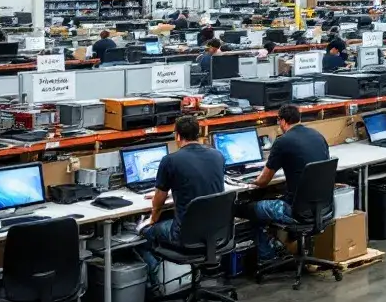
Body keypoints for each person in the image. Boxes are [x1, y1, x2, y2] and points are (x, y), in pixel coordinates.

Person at [136, 116, 226, 287]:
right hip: (215, 232)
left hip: (184, 236)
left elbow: (159, 201)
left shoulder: (170, 160)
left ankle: (155, 286)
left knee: (142, 232)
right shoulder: (217, 155)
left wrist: (152, 220)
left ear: (177, 136)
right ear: (198, 134)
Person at [247, 104, 332, 260]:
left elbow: (264, 181)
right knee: (280, 196)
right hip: (322, 208)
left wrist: (249, 182)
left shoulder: (282, 142)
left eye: (278, 121)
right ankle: (287, 247)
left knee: (252, 209)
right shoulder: (317, 135)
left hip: (296, 211)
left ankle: (267, 257)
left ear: (283, 121)